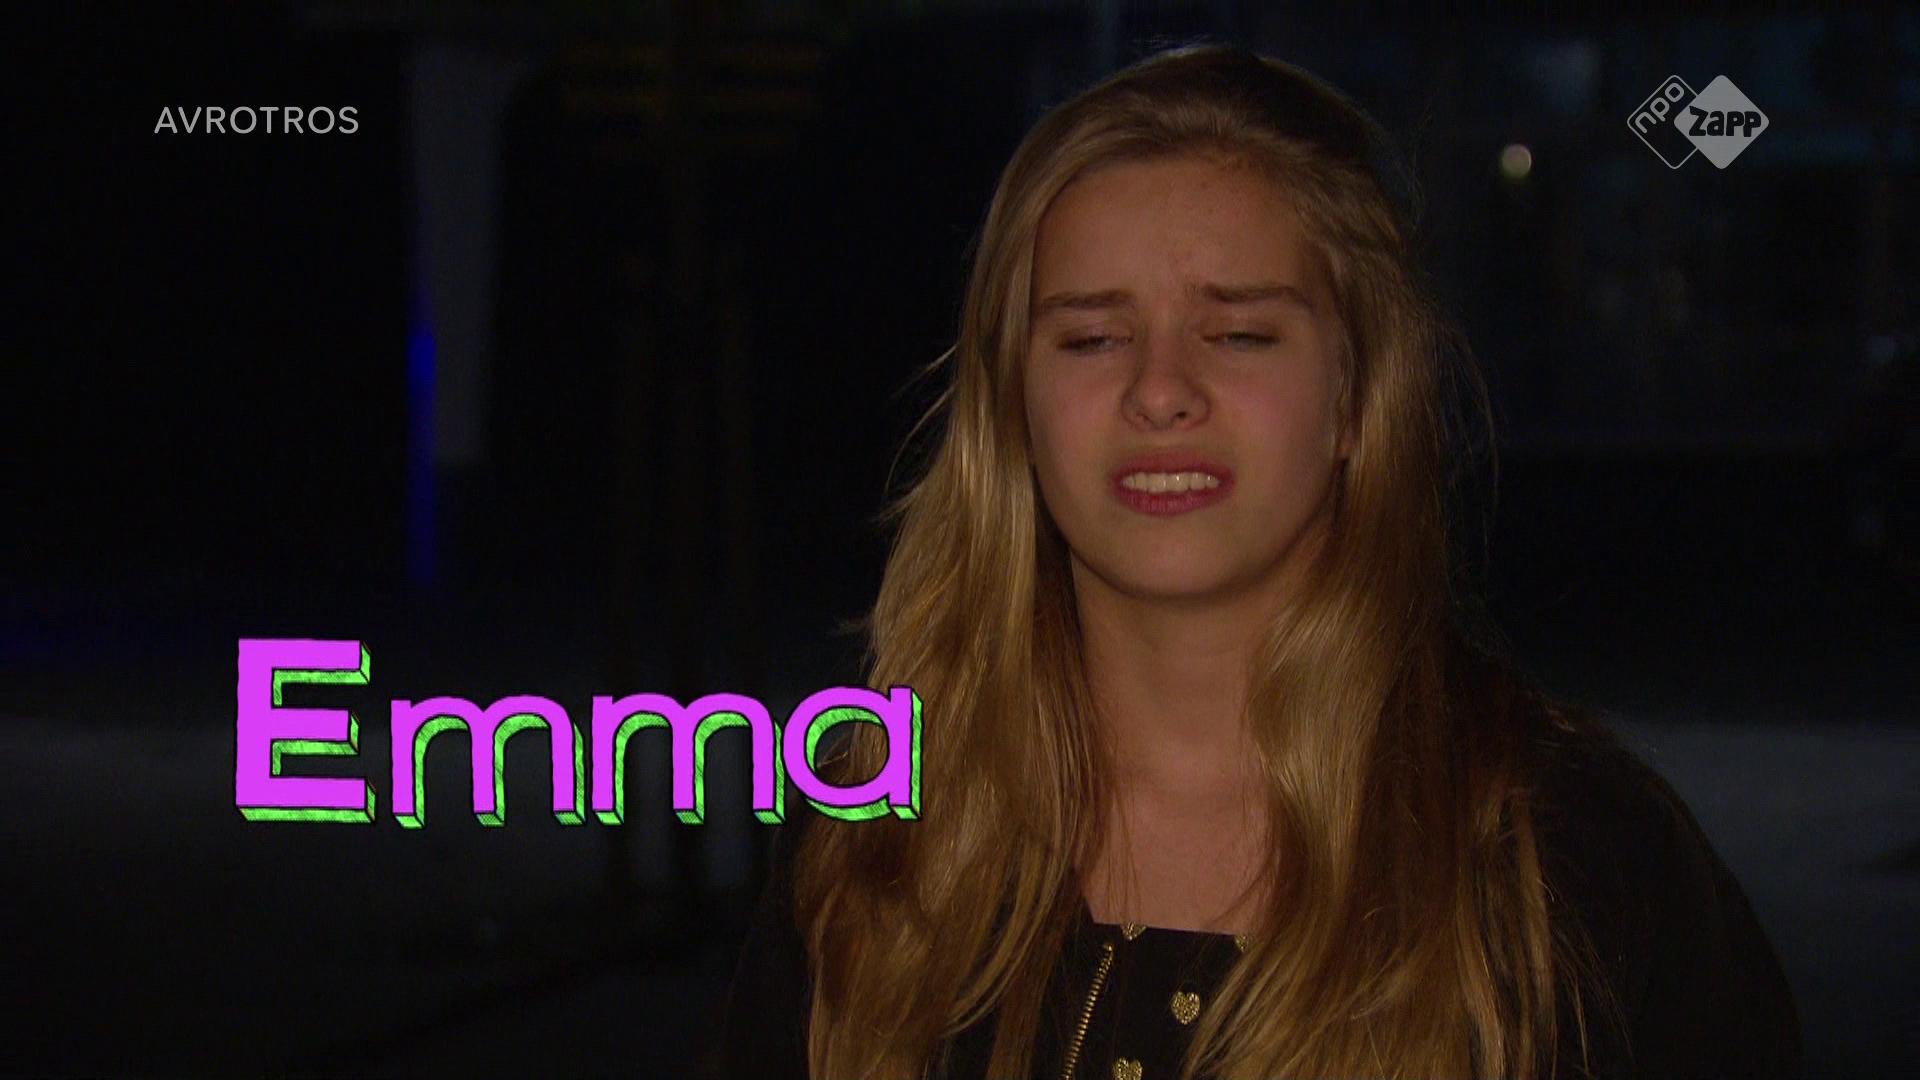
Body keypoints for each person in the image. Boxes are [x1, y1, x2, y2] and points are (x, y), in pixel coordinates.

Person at [713, 44, 1801, 1080]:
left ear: (1356, 398)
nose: (1159, 391)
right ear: (1014, 409)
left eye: (1239, 334)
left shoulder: (1570, 861)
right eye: (1091, 337)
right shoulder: (876, 839)